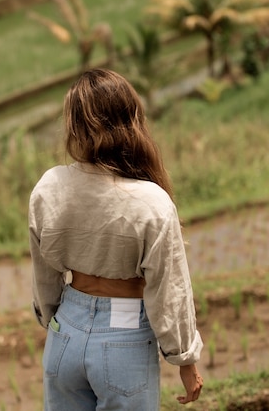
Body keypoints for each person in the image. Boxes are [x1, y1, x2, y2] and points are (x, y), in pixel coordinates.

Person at [29, 68, 203, 410]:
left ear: (74, 127)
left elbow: (43, 272)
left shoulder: (50, 186)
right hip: (123, 335)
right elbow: (170, 289)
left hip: (65, 331)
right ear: (131, 122)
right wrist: (185, 359)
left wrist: (51, 316)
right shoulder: (151, 202)